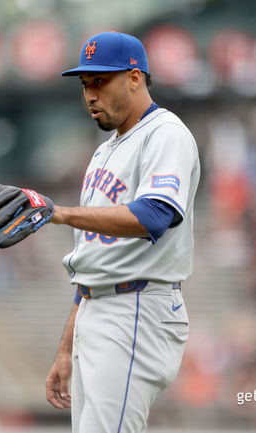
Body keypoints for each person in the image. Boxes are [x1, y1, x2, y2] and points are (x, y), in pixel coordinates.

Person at [44, 31, 201, 433]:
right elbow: (95, 260)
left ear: (135, 77)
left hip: (135, 308)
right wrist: (67, 345)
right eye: (85, 85)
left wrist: (60, 214)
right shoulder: (106, 150)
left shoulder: (165, 133)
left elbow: (154, 216)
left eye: (100, 81)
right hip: (100, 306)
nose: (90, 95)